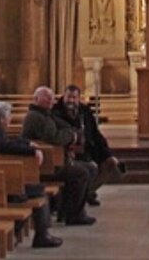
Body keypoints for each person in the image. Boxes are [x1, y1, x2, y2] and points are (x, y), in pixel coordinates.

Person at [0, 100, 62, 250]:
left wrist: (26, 143)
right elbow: (2, 145)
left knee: (28, 190)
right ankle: (42, 235)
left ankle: (17, 231)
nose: (10, 120)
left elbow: (6, 142)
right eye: (8, 117)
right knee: (39, 191)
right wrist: (32, 151)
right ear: (1, 119)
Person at [21, 85, 95, 226]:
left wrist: (71, 132)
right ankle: (74, 215)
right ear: (36, 99)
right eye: (46, 97)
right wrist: (72, 135)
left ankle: (68, 210)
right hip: (44, 166)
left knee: (90, 168)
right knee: (81, 173)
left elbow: (65, 127)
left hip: (53, 161)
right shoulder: (36, 117)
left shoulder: (45, 114)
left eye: (52, 97)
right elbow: (55, 138)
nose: (50, 100)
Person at [53, 84, 121, 204]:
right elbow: (55, 137)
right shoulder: (55, 112)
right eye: (69, 97)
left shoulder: (84, 111)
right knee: (87, 169)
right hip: (67, 153)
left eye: (74, 98)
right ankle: (82, 195)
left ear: (79, 98)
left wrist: (108, 154)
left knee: (112, 165)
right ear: (64, 97)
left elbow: (95, 134)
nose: (71, 100)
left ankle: (87, 192)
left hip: (87, 150)